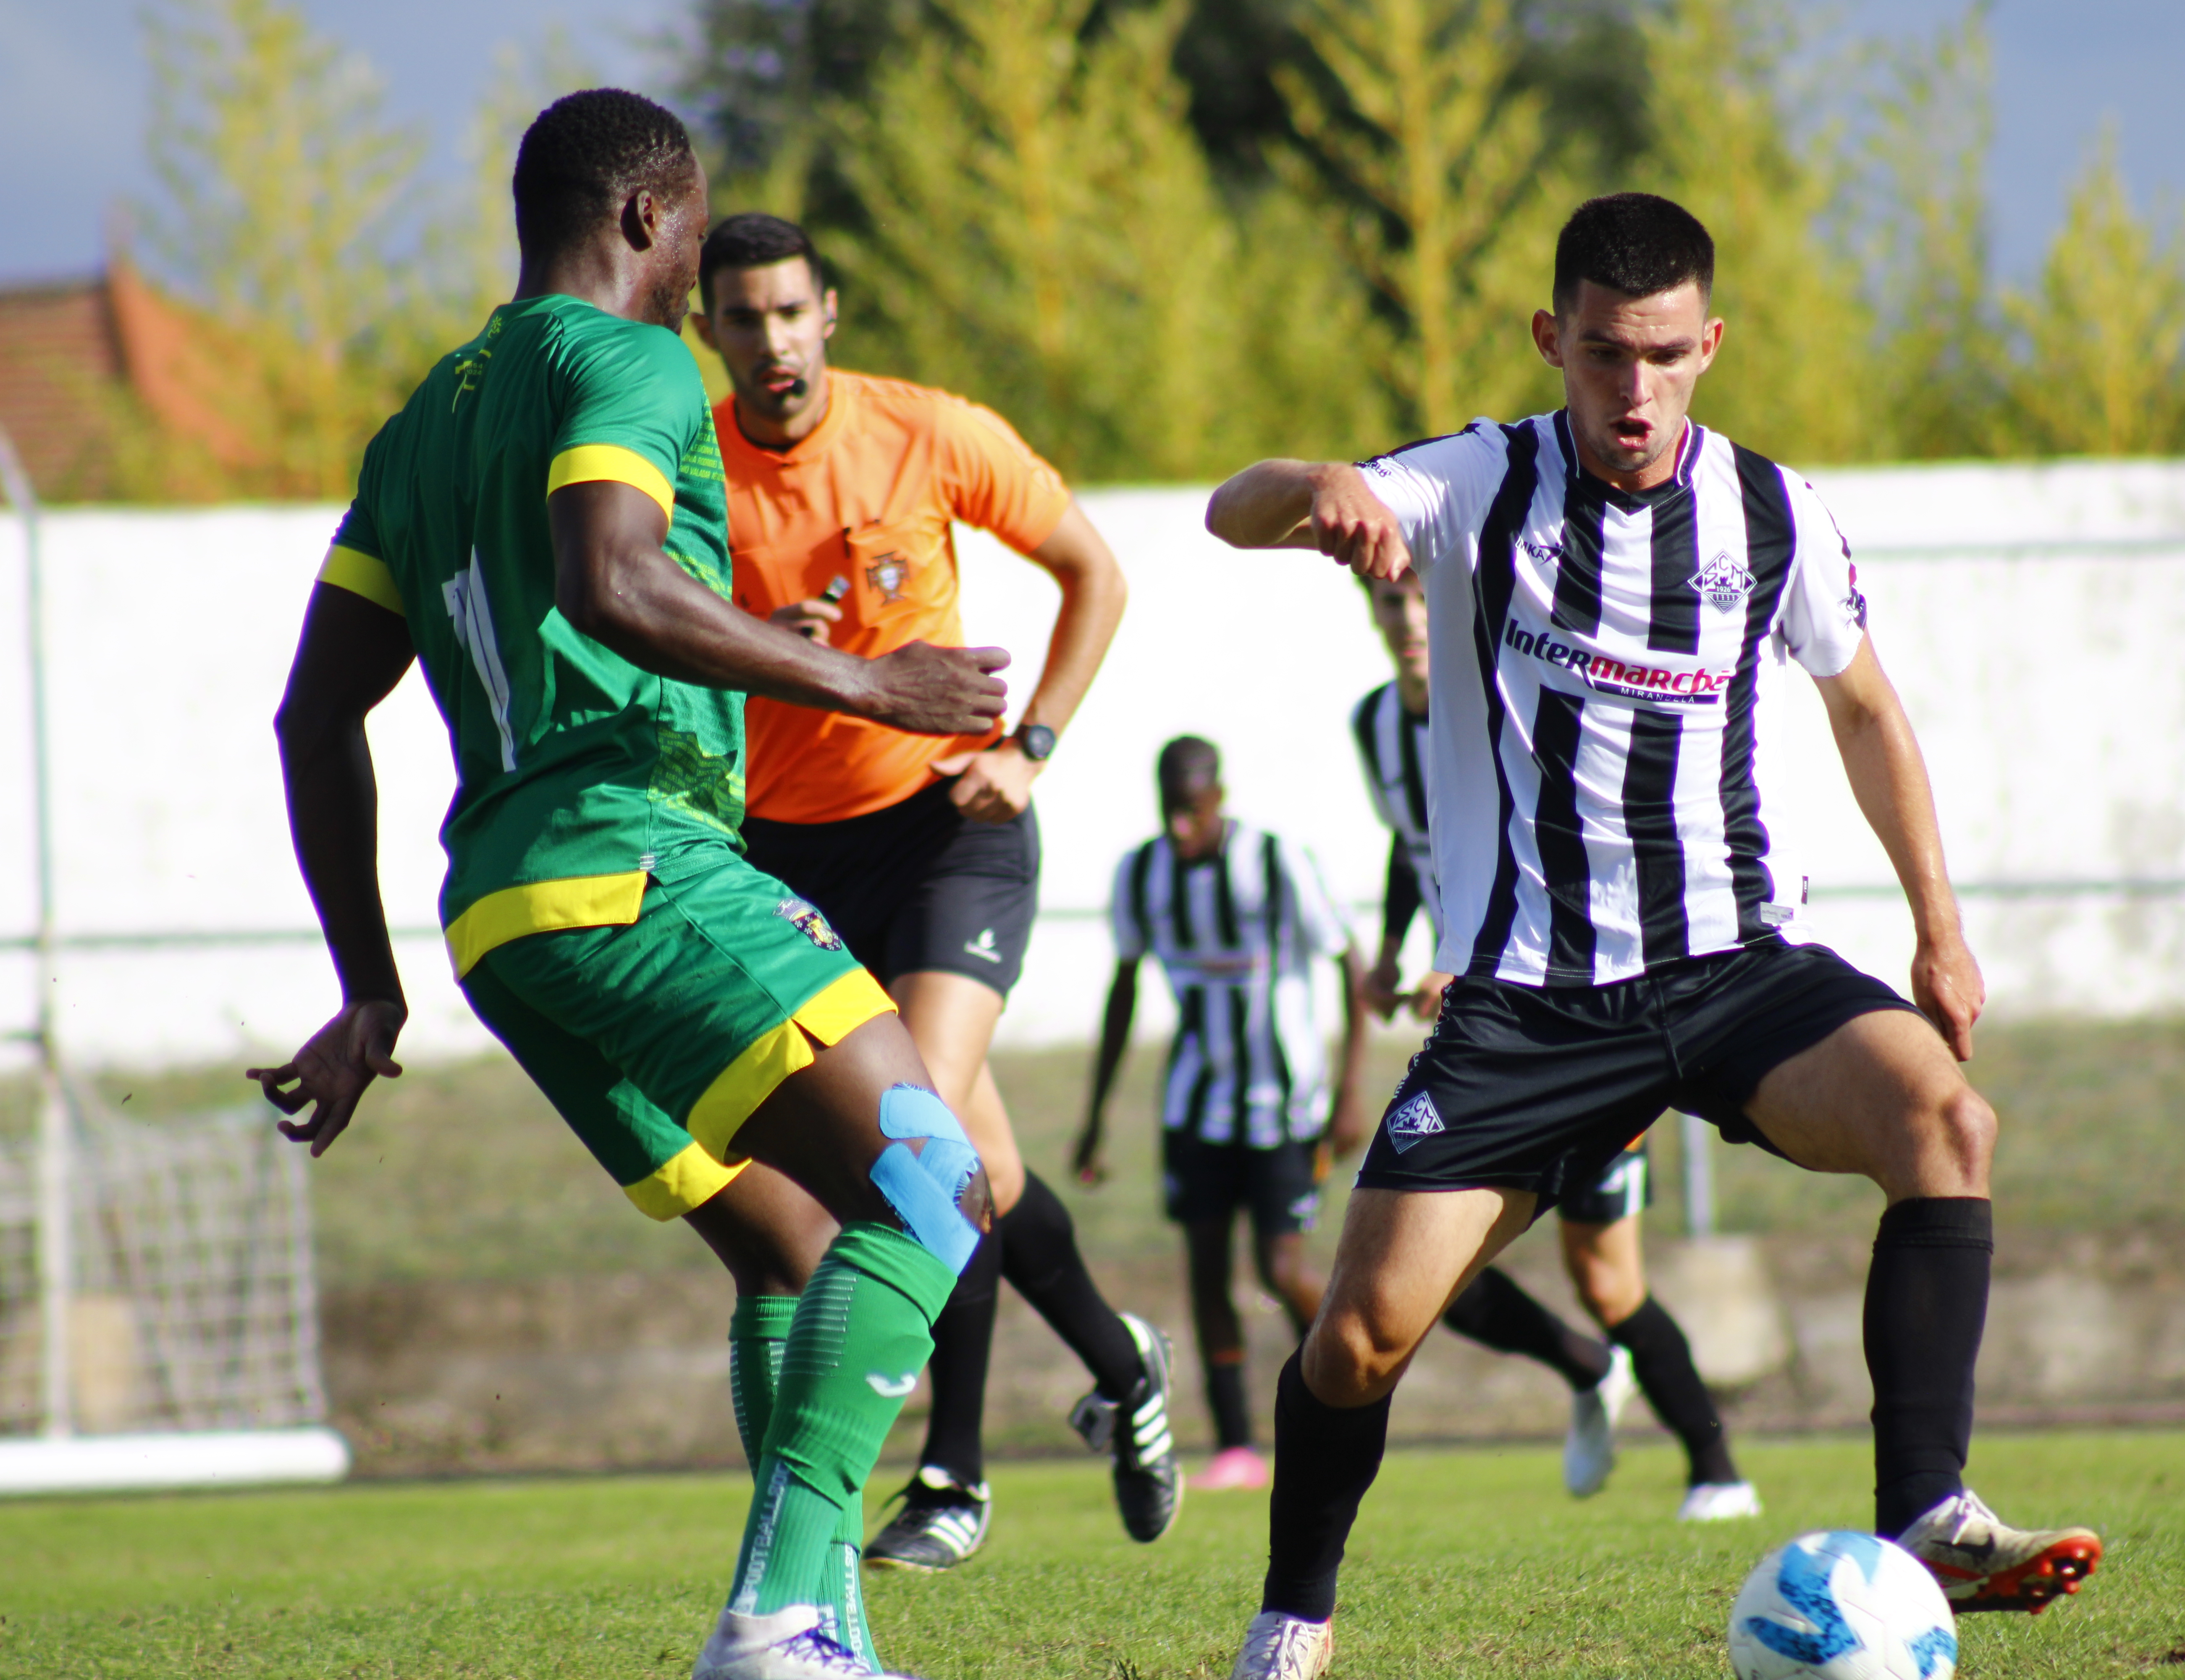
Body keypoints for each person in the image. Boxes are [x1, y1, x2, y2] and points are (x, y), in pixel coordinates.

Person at [1203, 192, 2103, 1678]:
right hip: (1531, 1001)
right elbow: (1237, 514)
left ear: (1711, 346)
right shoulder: (1477, 481)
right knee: (1358, 1337)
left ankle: (1926, 1518)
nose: (1637, 393)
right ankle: (1293, 1622)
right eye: (1609, 356)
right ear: (1554, 339)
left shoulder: (1773, 512)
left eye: (1669, 357)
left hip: (1739, 966)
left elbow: (1867, 710)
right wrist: (1312, 482)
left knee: (1948, 1121)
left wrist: (1940, 933)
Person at [247, 90, 1012, 1680]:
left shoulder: (421, 427)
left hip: (504, 923)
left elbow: (316, 713)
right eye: (694, 239)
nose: (701, 293)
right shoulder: (628, 360)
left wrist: (369, 987)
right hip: (633, 859)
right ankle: (787, 1612)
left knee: (791, 1254)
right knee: (937, 1186)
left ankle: (825, 1636)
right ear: (650, 218)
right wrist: (876, 687)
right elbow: (612, 576)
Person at [687, 211, 1174, 1573]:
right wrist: (739, 656)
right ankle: (1122, 1364)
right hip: (789, 859)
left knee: (918, 1141)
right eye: (744, 318)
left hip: (948, 830)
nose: (773, 342)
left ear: (829, 312)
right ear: (708, 332)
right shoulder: (683, 475)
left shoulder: (929, 432)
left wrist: (1030, 751)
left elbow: (1097, 572)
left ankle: (953, 1477)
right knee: (987, 1169)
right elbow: (643, 650)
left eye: (792, 312)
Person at [1353, 567, 1758, 1519]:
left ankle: (1716, 1466)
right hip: (1483, 1035)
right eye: (1389, 603)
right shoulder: (1373, 723)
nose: (1409, 620)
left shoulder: (1506, 689)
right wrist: (1392, 948)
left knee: (1608, 1278)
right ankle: (1585, 1369)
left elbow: (1555, 840)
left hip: (1576, 1012)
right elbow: (1413, 842)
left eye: (1423, 599)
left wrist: (1479, 952)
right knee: (1423, 1270)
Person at [1073, 737, 1369, 1491]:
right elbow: (1123, 988)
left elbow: (1349, 964)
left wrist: (1351, 1089)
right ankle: (1237, 1445)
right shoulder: (1141, 874)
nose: (1179, 826)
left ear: (1219, 797)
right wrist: (1097, 1115)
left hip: (1288, 1106)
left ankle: (1350, 1399)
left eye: (1192, 810)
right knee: (1206, 1272)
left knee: (1280, 1268)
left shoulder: (1276, 862)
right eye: (1168, 809)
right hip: (1194, 1110)